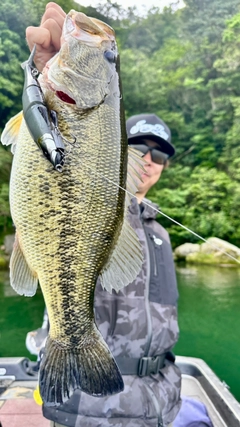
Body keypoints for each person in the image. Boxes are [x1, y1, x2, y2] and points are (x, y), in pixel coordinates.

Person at [25, 4, 214, 427]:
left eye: (161, 154)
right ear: (118, 149)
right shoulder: (105, 199)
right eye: (139, 148)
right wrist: (47, 73)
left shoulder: (159, 232)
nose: (149, 160)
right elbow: (54, 163)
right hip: (92, 409)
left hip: (161, 402)